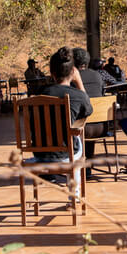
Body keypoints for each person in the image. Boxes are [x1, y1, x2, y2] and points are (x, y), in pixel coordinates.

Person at [34, 47, 93, 195]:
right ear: (73, 72)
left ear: (52, 73)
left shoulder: (40, 94)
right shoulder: (78, 96)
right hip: (66, 154)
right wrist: (79, 82)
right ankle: (75, 194)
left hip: (39, 154)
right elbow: (89, 111)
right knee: (76, 137)